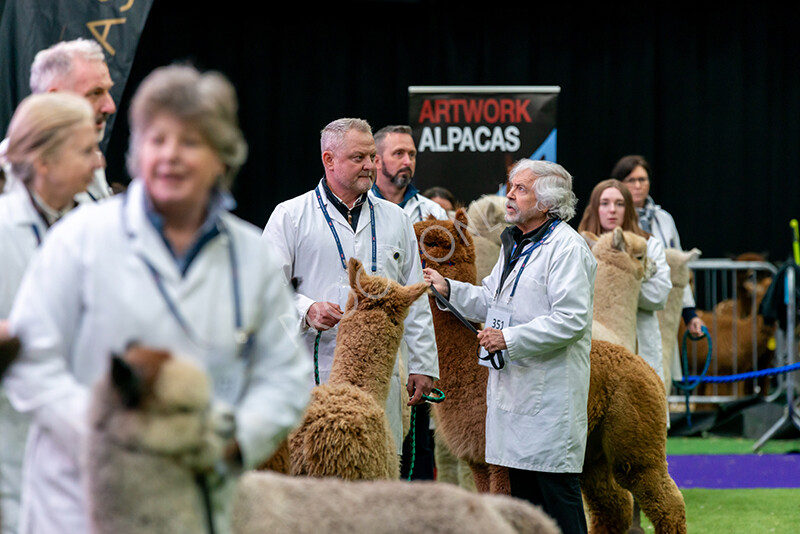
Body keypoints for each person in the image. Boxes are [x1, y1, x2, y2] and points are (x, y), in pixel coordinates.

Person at [2, 64, 313, 534]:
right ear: (136, 151)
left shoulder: (250, 256)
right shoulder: (78, 239)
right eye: (156, 139)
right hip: (80, 502)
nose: (170, 156)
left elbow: (285, 378)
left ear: (222, 156)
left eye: (189, 142)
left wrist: (231, 444)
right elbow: (34, 364)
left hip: (195, 499)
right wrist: (109, 439)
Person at [423, 159, 596, 534]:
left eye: (520, 189)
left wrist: (509, 338)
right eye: (510, 186)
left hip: (548, 405)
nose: (509, 195)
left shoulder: (567, 248)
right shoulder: (515, 243)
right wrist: (448, 288)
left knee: (559, 507)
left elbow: (571, 320)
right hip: (512, 399)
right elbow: (493, 298)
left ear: (546, 203)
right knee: (526, 514)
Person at [262, 118, 439, 469]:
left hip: (379, 377)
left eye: (372, 157)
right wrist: (307, 309)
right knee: (315, 478)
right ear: (329, 160)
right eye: (359, 158)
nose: (371, 166)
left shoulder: (397, 219)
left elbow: (413, 298)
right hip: (314, 372)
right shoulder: (290, 216)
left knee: (376, 474)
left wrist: (422, 364)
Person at [0, 91, 102, 534]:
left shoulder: (96, 227)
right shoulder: (4, 229)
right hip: (11, 432)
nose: (99, 162)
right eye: (86, 151)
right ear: (43, 163)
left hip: (82, 433)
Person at [578, 179, 673, 384]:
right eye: (605, 203)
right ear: (595, 207)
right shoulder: (579, 247)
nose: (612, 210)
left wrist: (614, 284)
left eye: (619, 204)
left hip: (641, 341)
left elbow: (658, 295)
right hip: (593, 346)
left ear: (628, 208)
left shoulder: (649, 246)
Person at [1, 38, 116, 201]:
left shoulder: (88, 155)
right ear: (54, 98)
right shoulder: (8, 175)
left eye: (108, 91)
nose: (110, 107)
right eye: (95, 93)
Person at [610, 154, 705, 339]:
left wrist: (690, 313)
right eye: (631, 180)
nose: (638, 186)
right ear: (620, 184)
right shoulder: (612, 217)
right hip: (625, 308)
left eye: (642, 179)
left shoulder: (664, 219)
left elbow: (679, 267)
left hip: (665, 307)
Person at [371, 124, 448, 223]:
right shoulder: (358, 209)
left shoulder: (434, 212)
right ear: (377, 161)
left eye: (412, 154)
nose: (408, 161)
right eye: (399, 153)